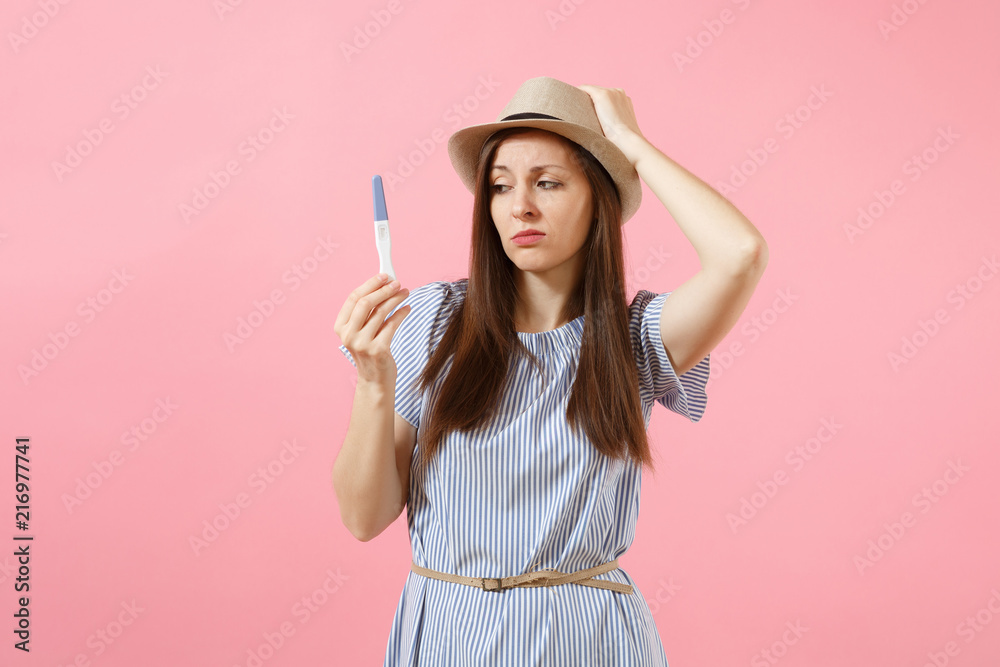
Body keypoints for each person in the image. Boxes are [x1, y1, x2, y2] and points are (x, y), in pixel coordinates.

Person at [333, 76, 768, 666]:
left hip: (585, 641)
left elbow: (739, 254)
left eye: (549, 182)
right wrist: (373, 381)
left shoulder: (635, 337)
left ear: (600, 198)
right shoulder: (434, 322)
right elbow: (364, 518)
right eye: (500, 186)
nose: (521, 207)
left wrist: (630, 146)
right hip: (447, 634)